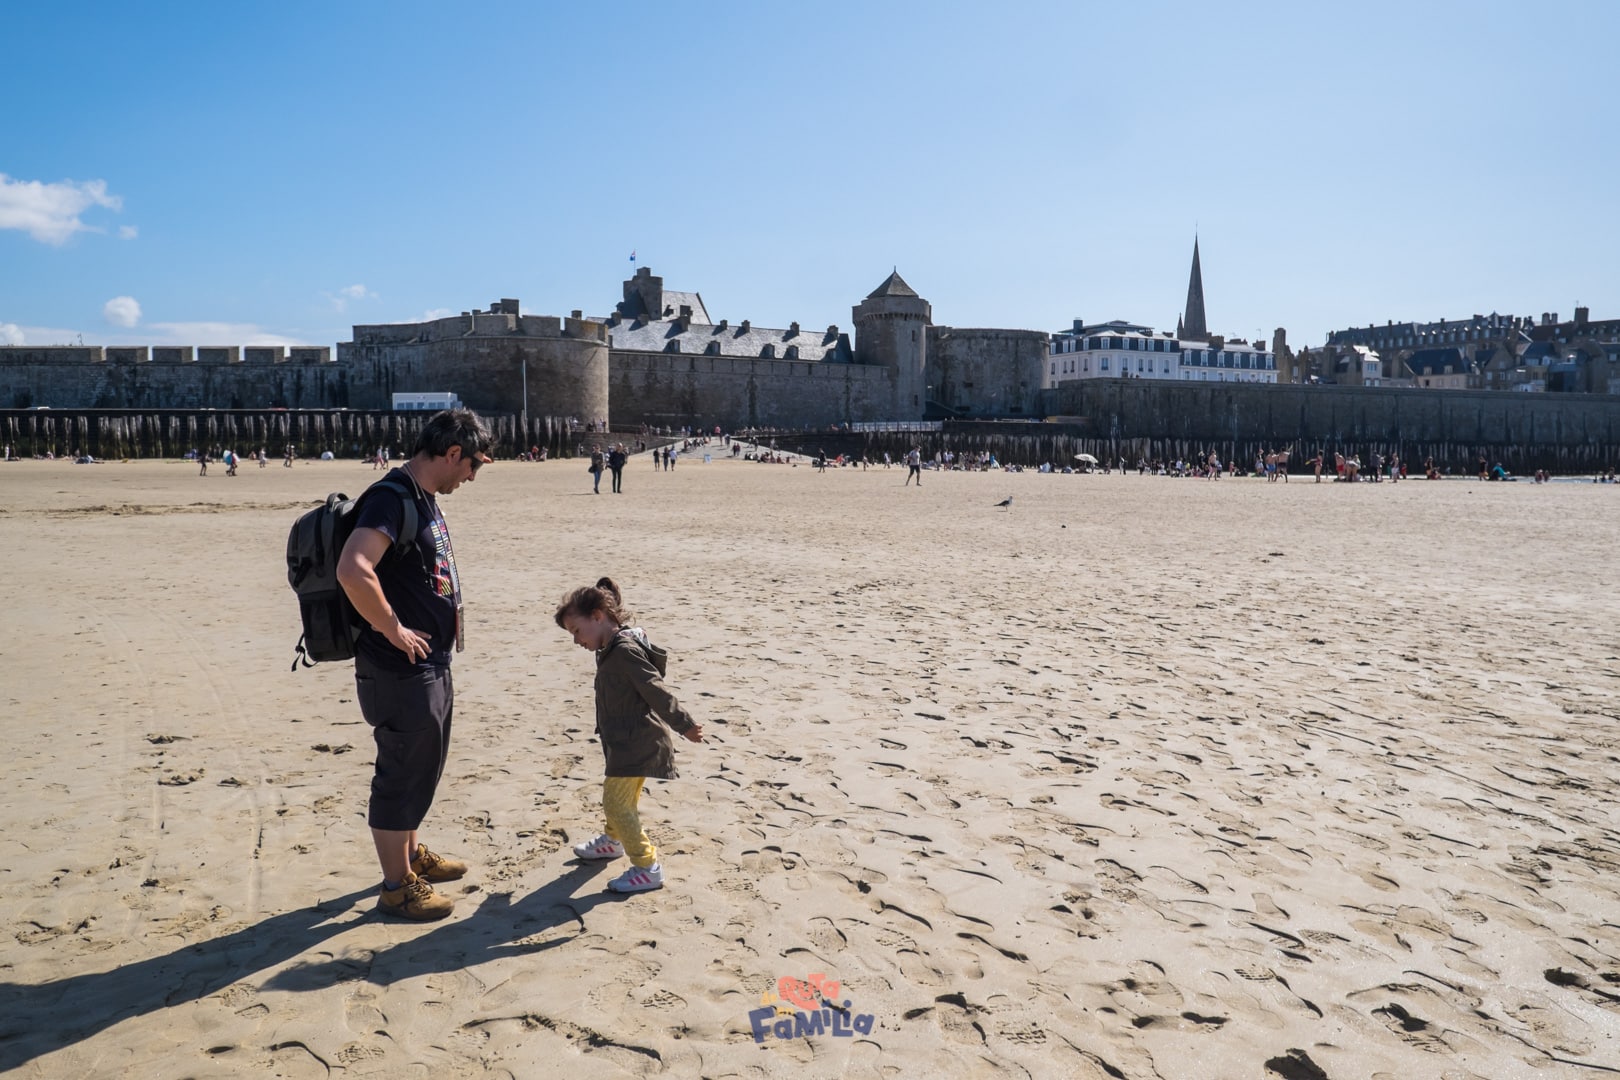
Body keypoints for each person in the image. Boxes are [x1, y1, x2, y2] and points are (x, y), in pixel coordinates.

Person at [336, 408, 493, 920]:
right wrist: (392, 627)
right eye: (473, 467)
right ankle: (396, 886)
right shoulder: (391, 497)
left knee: (423, 765)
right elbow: (353, 568)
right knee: (400, 772)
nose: (472, 477)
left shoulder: (420, 497)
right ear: (452, 454)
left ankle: (409, 856)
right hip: (397, 667)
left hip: (427, 662)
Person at [554, 577, 704, 894]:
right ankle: (611, 841)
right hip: (623, 740)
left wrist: (684, 724)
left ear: (597, 616)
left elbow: (654, 688)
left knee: (617, 804)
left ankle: (647, 867)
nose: (576, 641)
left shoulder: (622, 650)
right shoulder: (609, 645)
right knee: (620, 799)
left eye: (577, 631)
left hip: (639, 743)